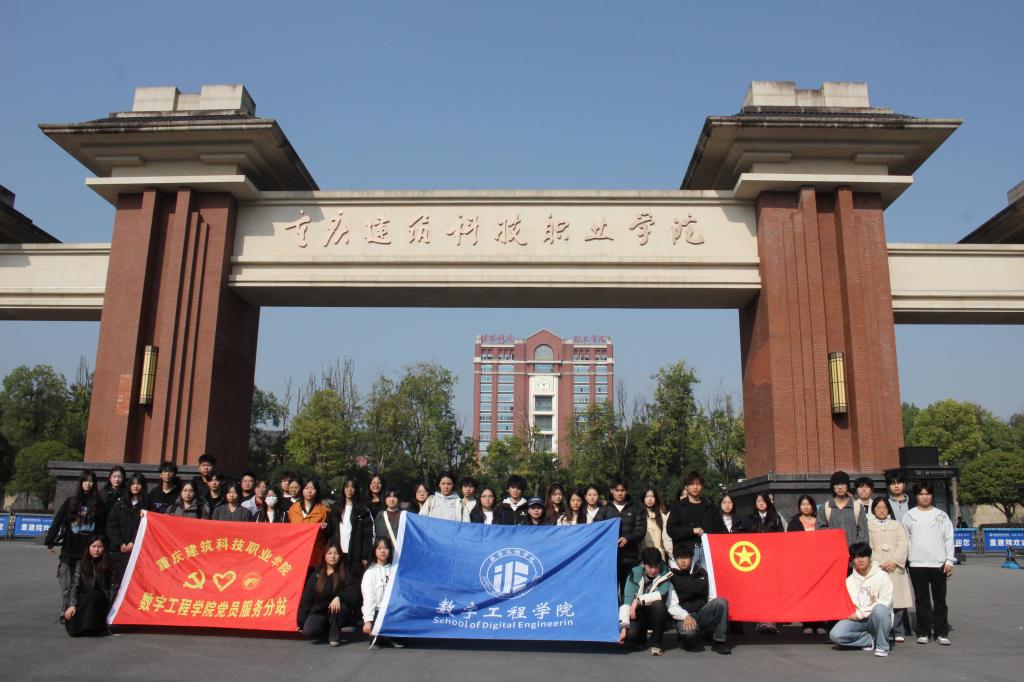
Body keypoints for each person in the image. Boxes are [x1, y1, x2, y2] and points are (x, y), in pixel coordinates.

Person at [902, 482, 954, 645]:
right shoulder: (909, 516)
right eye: (921, 494)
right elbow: (905, 539)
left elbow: (949, 538)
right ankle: (923, 631)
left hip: (938, 563)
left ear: (932, 495)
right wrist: (906, 561)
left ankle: (941, 632)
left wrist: (949, 560)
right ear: (916, 496)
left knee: (940, 600)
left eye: (928, 494)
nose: (924, 497)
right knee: (921, 600)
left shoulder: (941, 515)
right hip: (917, 564)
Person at [46, 469, 102, 615]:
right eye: (85, 481)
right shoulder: (70, 502)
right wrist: (50, 540)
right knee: (66, 582)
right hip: (69, 549)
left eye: (91, 481)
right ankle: (65, 609)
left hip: (87, 551)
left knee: (82, 584)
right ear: (80, 483)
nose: (88, 484)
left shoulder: (98, 503)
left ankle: (77, 609)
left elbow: (102, 527)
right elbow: (57, 521)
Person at [829, 542, 894, 657]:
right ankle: (870, 640)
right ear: (852, 560)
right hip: (858, 620)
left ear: (869, 557)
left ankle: (882, 646)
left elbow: (885, 602)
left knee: (880, 609)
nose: (860, 560)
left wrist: (861, 614)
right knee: (836, 635)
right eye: (856, 557)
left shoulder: (883, 576)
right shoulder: (849, 581)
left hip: (877, 619)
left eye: (863, 556)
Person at [668, 544, 732, 654]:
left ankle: (719, 642)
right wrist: (685, 615)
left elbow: (711, 595)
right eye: (679, 558)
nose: (683, 561)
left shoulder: (702, 572)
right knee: (689, 637)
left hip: (701, 612)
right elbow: (671, 604)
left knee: (721, 602)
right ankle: (685, 637)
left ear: (691, 558)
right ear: (675, 559)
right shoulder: (670, 576)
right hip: (683, 616)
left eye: (686, 557)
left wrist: (712, 612)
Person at [867, 497, 912, 643]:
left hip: (895, 567)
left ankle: (898, 630)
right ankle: (883, 629)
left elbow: (903, 544)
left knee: (897, 599)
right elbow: (869, 546)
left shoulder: (897, 525)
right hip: (878, 567)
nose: (882, 510)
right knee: (880, 599)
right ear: (873, 509)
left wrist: (894, 561)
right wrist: (880, 561)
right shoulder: (868, 525)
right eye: (878, 508)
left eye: (885, 508)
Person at [297, 544, 356, 647]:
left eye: (336, 553)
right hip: (320, 610)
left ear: (340, 556)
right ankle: (328, 630)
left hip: (339, 610)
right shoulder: (316, 574)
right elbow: (306, 599)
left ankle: (335, 636)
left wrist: (339, 597)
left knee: (334, 608)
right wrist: (301, 622)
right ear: (324, 555)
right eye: (329, 553)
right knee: (308, 630)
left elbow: (353, 593)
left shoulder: (346, 573)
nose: (333, 556)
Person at [619, 547, 673, 656]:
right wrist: (623, 627)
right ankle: (640, 638)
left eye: (656, 566)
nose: (654, 570)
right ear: (643, 564)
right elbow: (627, 601)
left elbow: (660, 594)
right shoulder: (633, 575)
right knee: (630, 634)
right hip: (638, 613)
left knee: (659, 606)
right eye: (650, 567)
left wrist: (638, 600)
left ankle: (657, 643)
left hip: (657, 613)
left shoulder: (665, 573)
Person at [787, 495, 827, 635]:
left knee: (820, 593)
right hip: (802, 563)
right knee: (806, 593)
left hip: (819, 562)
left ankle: (820, 621)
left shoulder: (820, 521)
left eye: (808, 504)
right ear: (799, 506)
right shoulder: (794, 523)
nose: (806, 507)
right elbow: (791, 544)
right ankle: (807, 622)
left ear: (813, 506)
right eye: (803, 504)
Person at [666, 471, 723, 572]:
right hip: (686, 553)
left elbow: (720, 530)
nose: (695, 487)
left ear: (702, 486)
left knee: (707, 578)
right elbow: (671, 530)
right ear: (686, 487)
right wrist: (692, 531)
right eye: (692, 484)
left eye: (698, 484)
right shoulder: (678, 507)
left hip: (708, 551)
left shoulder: (710, 507)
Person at [596, 477, 645, 592]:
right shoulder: (604, 510)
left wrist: (628, 538)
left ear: (626, 491)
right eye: (617, 490)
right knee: (609, 592)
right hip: (609, 559)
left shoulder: (636, 508)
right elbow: (597, 530)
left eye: (622, 490)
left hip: (631, 559)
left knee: (628, 592)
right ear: (611, 490)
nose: (619, 493)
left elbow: (641, 530)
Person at [106, 473, 151, 592]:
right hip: (118, 551)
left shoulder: (148, 505)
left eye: (139, 484)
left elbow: (148, 528)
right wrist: (120, 543)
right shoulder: (120, 503)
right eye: (133, 484)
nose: (135, 486)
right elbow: (111, 525)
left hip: (138, 551)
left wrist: (133, 542)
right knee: (116, 585)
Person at [63, 534, 114, 637]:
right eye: (93, 546)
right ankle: (81, 627)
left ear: (104, 548)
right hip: (86, 596)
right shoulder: (81, 564)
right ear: (88, 547)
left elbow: (114, 587)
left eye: (100, 546)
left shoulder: (110, 564)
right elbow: (75, 586)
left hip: (103, 597)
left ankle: (93, 628)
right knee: (82, 604)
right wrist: (72, 605)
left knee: (93, 597)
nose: (96, 550)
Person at [749, 492, 783, 633]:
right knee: (758, 591)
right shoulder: (750, 519)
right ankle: (760, 619)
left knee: (771, 590)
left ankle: (771, 620)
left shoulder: (775, 518)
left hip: (771, 559)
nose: (761, 503)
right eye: (758, 501)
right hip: (754, 559)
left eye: (763, 500)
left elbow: (781, 539)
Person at [362, 537, 404, 648]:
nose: (382, 551)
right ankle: (387, 636)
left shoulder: (396, 570)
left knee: (402, 639)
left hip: (394, 610)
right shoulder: (370, 573)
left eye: (386, 548)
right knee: (375, 640)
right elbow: (369, 599)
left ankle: (392, 636)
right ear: (374, 551)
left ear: (390, 550)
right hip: (378, 611)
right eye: (379, 548)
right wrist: (368, 620)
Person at [329, 477, 373, 578]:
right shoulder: (336, 507)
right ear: (343, 489)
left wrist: (365, 555)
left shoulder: (362, 509)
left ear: (356, 490)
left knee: (352, 581)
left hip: (355, 553)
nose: (349, 490)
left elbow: (368, 535)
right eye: (347, 487)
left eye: (352, 487)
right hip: (338, 552)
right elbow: (331, 529)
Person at [289, 478, 331, 568]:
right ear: (302, 490)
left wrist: (325, 528)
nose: (309, 491)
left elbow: (329, 533)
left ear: (317, 491)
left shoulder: (324, 510)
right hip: (297, 552)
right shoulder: (293, 509)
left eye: (312, 488)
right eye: (306, 488)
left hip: (316, 554)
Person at [817, 471, 867, 546]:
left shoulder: (857, 507)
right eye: (837, 484)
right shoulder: (825, 507)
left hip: (853, 551)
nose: (840, 487)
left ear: (847, 486)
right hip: (833, 550)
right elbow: (820, 530)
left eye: (843, 484)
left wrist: (857, 550)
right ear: (832, 486)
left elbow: (863, 533)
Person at [640, 486, 668, 560]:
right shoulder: (639, 515)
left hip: (659, 554)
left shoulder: (662, 516)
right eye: (647, 496)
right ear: (643, 498)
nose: (650, 499)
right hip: (645, 553)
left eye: (652, 496)